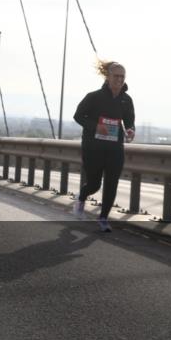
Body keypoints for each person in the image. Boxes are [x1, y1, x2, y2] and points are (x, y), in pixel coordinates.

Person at [72, 60, 136, 232]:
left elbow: (129, 122)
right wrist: (95, 127)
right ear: (108, 77)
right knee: (94, 184)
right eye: (116, 76)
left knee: (112, 183)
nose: (120, 80)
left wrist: (130, 131)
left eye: (122, 77)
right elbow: (78, 116)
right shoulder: (93, 97)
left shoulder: (126, 100)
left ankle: (103, 218)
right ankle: (82, 197)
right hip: (93, 148)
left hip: (115, 149)